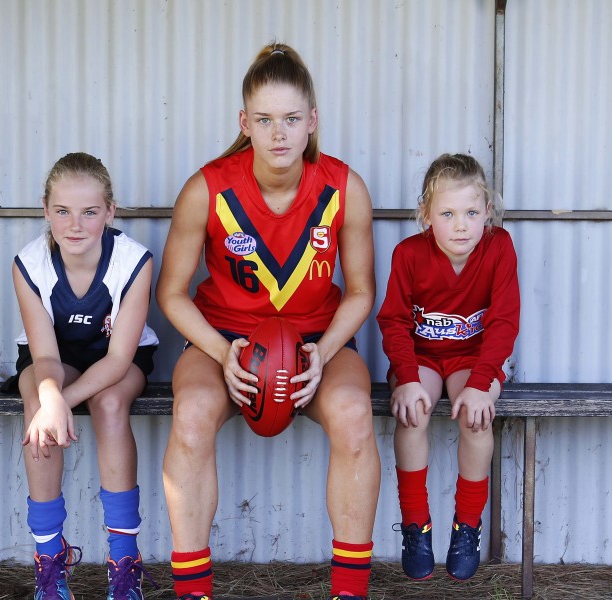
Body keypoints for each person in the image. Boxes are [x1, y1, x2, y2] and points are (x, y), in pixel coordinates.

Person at [156, 43, 380, 600]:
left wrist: (323, 354)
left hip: (316, 341)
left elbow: (359, 293)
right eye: (264, 120)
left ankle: (349, 591)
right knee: (192, 415)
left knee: (354, 415)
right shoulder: (206, 188)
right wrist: (221, 352)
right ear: (244, 123)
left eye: (290, 119)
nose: (278, 133)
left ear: (312, 122)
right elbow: (172, 293)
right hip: (223, 342)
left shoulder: (344, 189)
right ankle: (193, 591)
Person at [4, 152, 159, 600]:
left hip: (118, 358)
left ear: (110, 211)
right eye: (62, 211)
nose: (75, 225)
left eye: (90, 212)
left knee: (109, 403)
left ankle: (124, 562)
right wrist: (51, 397)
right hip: (54, 356)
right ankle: (50, 566)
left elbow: (116, 361)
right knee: (36, 404)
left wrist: (62, 402)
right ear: (46, 209)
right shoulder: (29, 263)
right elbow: (46, 358)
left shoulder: (133, 261)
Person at [376, 153, 520, 581]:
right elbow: (394, 320)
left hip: (474, 360)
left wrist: (480, 384)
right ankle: (416, 525)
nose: (461, 225)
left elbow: (504, 321)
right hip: (420, 357)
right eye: (448, 213)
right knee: (414, 411)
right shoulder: (408, 254)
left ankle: (467, 525)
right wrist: (404, 376)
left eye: (472, 212)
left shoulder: (499, 247)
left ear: (487, 213)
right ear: (426, 216)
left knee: (477, 419)